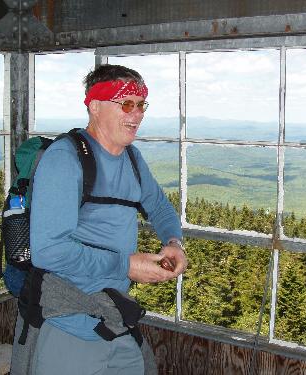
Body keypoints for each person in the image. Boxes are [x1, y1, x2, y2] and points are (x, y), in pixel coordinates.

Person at [23, 64, 187, 374]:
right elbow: (49, 251)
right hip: (70, 322)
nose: (137, 114)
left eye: (141, 105)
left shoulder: (132, 158)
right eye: (126, 103)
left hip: (114, 316)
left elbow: (159, 207)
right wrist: (126, 265)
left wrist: (174, 242)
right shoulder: (64, 160)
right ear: (95, 106)